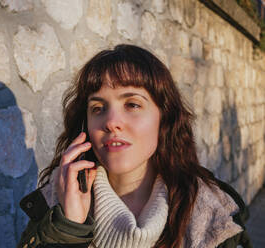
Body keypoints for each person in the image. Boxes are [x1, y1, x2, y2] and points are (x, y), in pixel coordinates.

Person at [17, 44, 252, 248]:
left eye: (132, 104)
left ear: (164, 117)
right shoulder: (54, 204)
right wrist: (68, 229)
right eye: (98, 108)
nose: (111, 122)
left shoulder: (214, 215)